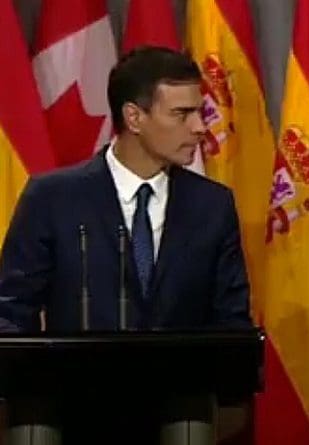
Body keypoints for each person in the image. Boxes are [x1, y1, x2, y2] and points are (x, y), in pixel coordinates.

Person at [0, 46, 253, 443]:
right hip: (71, 407)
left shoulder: (212, 206)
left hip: (177, 412)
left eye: (198, 112)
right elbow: (11, 314)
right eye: (182, 114)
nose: (200, 127)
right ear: (134, 117)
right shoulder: (52, 198)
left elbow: (231, 321)